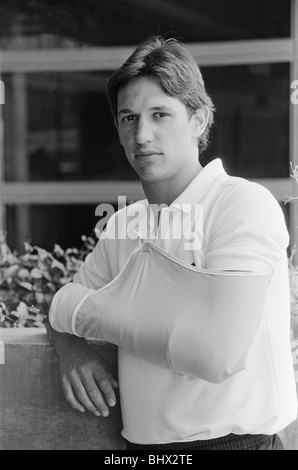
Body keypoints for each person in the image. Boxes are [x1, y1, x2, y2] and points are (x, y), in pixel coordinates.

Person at [48, 36, 297, 451]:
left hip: (236, 444)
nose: (142, 134)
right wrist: (71, 346)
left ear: (198, 120)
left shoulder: (241, 205)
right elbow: (64, 311)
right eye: (128, 118)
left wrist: (73, 309)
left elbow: (214, 354)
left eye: (159, 114)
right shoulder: (124, 224)